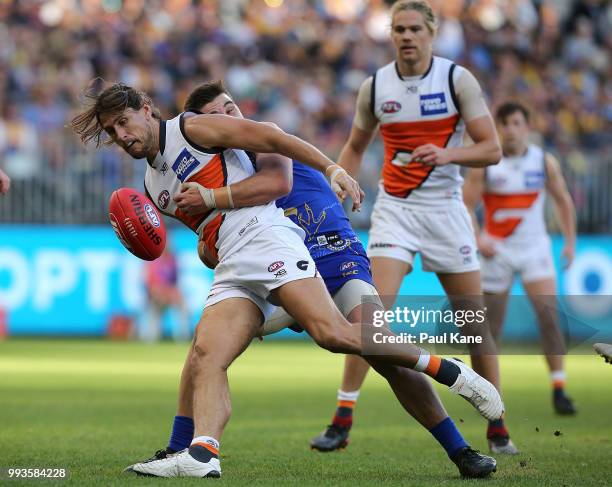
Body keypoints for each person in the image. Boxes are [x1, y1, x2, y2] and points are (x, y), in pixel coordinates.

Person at [70, 81, 503, 478]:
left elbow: (276, 176)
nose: (121, 136)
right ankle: (196, 453)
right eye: (112, 131)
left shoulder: (224, 138)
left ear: (147, 110)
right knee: (205, 351)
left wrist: (333, 170)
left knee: (346, 338)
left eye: (123, 123)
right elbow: (208, 235)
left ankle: (453, 399)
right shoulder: (157, 182)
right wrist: (206, 237)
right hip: (245, 262)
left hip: (319, 253)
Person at [311, 0, 517, 455]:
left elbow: (491, 149)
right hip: (395, 210)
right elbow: (355, 145)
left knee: (473, 326)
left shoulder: (456, 79)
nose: (406, 36)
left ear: (431, 33)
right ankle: (342, 418)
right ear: (392, 34)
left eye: (414, 29)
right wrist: (336, 187)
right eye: (398, 29)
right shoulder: (375, 86)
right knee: (370, 319)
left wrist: (447, 154)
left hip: (446, 210)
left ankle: (497, 426)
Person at [463, 101, 577, 415]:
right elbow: (465, 204)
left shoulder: (543, 161)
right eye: (505, 124)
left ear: (527, 127)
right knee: (490, 327)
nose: (510, 130)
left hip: (534, 249)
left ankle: (559, 388)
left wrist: (569, 243)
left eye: (516, 123)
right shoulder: (487, 163)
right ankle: (490, 395)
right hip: (496, 251)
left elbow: (563, 201)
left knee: (549, 317)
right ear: (497, 128)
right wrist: (478, 236)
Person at [142, 245, 190, 342]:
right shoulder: (153, 262)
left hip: (169, 294)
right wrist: (161, 292)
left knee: (183, 305)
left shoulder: (173, 262)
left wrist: (172, 293)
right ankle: (150, 338)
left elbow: (175, 282)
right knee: (153, 309)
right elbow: (151, 285)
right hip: (156, 296)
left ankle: (183, 337)